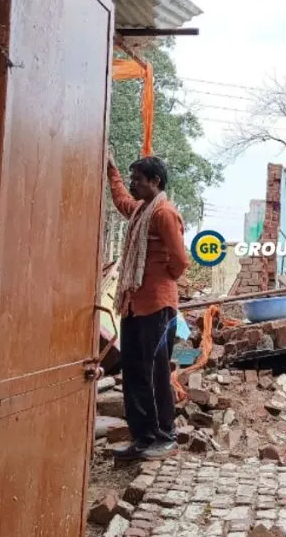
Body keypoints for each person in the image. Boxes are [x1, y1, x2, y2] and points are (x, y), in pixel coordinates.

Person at [106, 153, 189, 459]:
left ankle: (165, 436)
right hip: (132, 305)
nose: (133, 185)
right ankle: (143, 438)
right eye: (131, 179)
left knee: (154, 374)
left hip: (156, 305)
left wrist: (161, 279)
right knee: (134, 373)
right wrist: (112, 173)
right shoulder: (142, 211)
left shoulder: (164, 213)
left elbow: (180, 260)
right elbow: (123, 201)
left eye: (138, 179)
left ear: (155, 182)